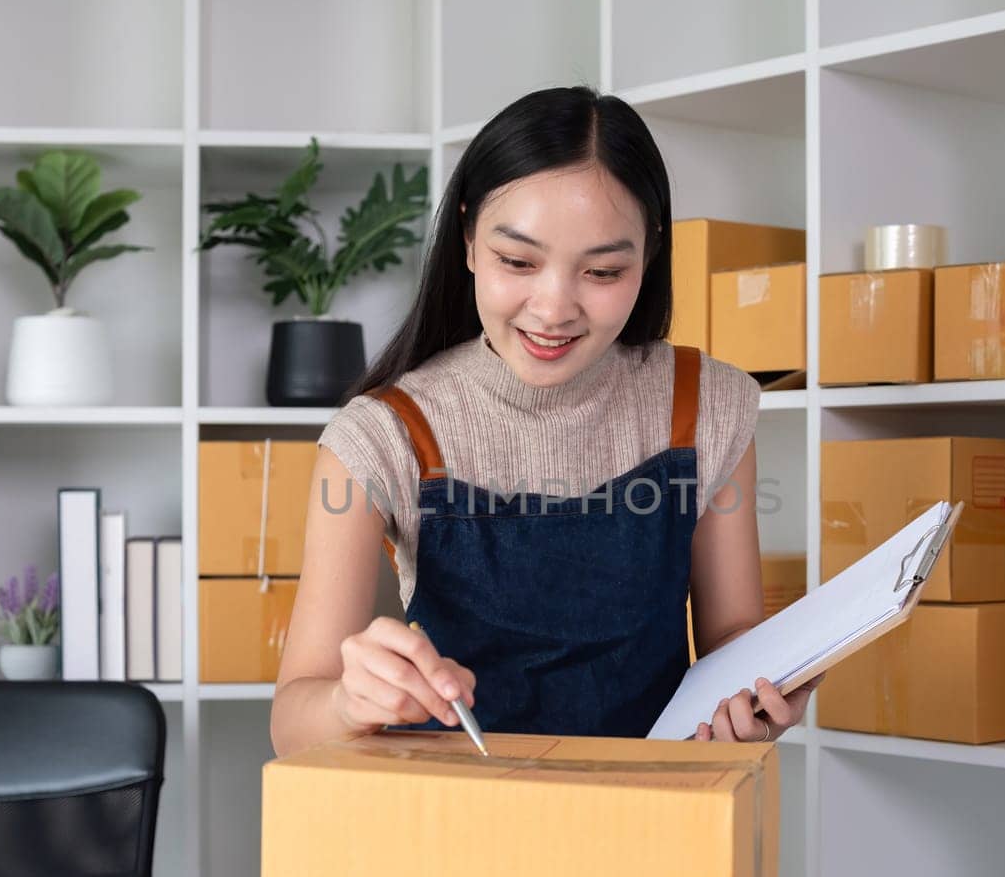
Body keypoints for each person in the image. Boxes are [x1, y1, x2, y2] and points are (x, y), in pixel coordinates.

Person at [268, 85, 816, 758]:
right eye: (517, 261)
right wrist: (347, 700)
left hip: (649, 825)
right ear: (468, 239)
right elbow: (293, 722)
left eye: (603, 269)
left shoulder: (703, 405)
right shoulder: (385, 433)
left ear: (650, 255)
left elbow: (732, 633)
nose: (554, 308)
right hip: (450, 833)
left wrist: (757, 692)